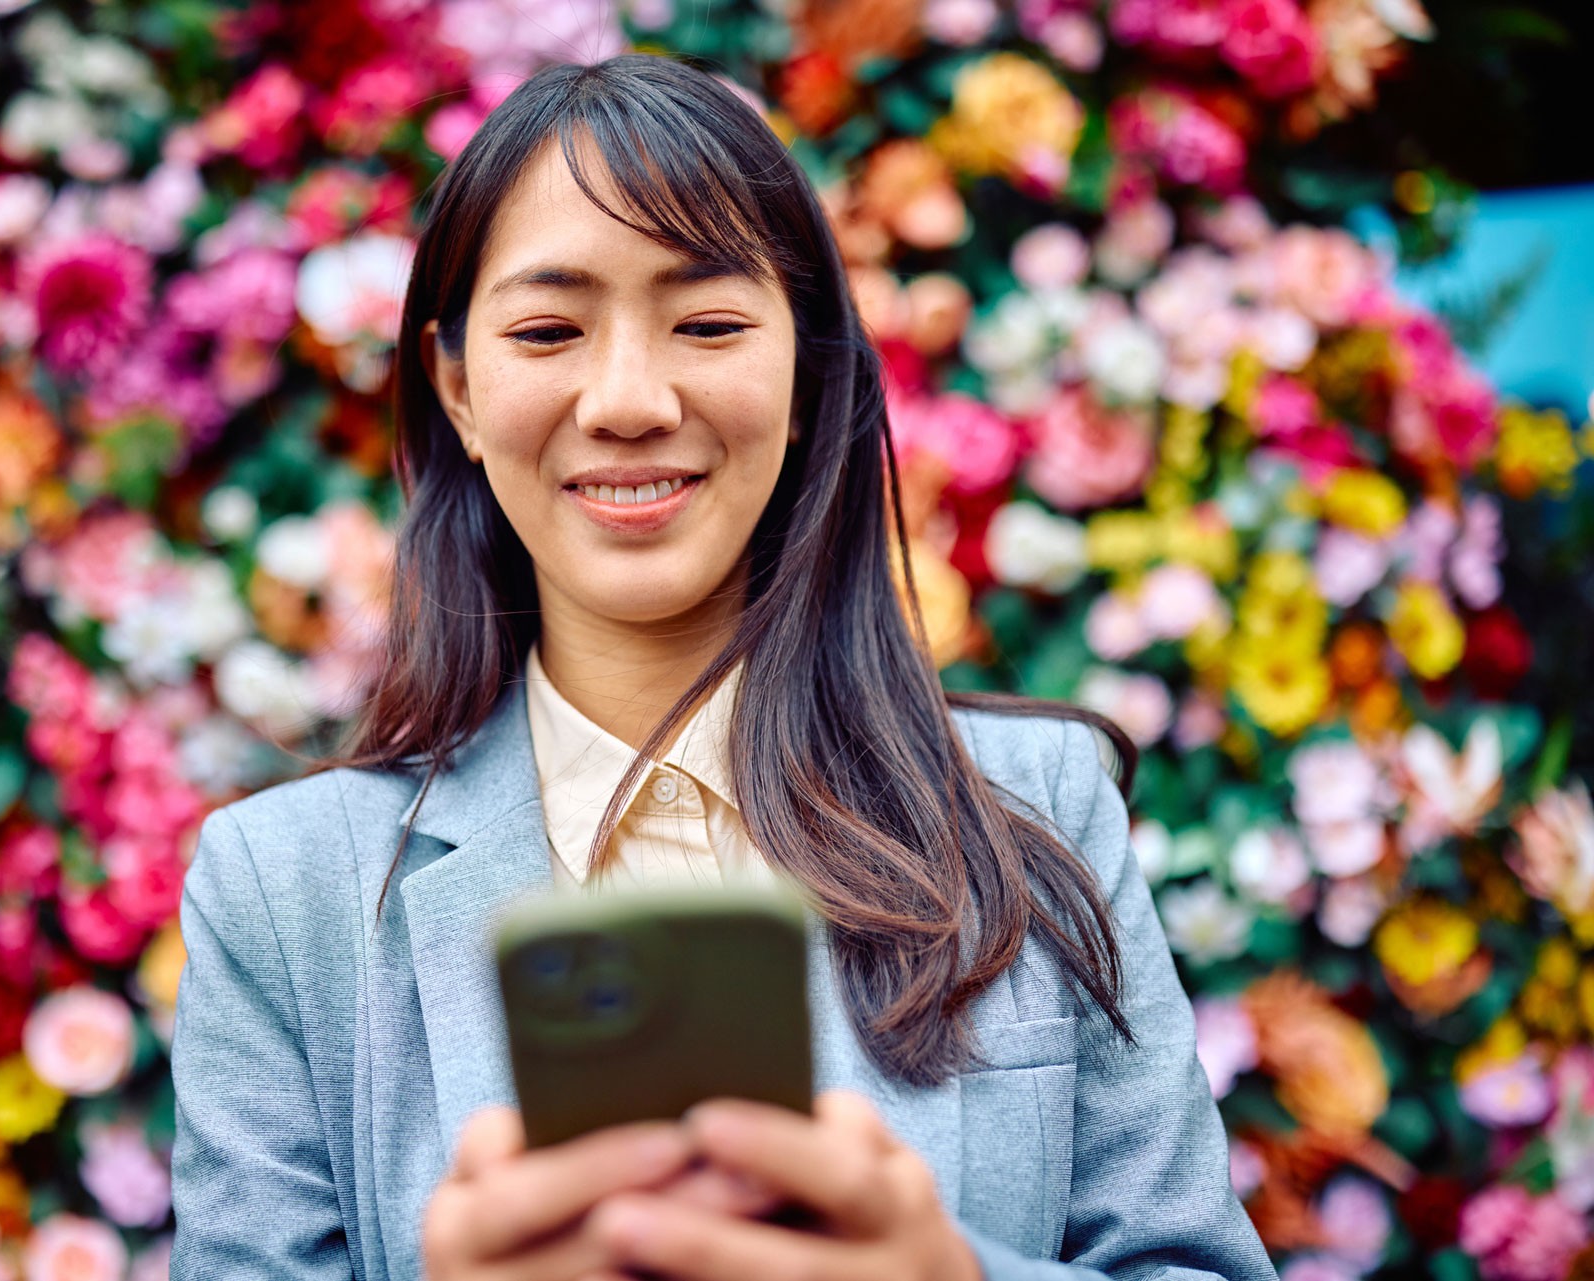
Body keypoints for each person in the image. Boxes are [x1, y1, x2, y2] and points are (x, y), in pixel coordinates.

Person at [171, 53, 1277, 1281]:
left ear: (805, 374)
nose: (631, 401)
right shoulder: (284, 894)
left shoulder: (1032, 803)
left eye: (707, 324)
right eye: (548, 330)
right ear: (458, 389)